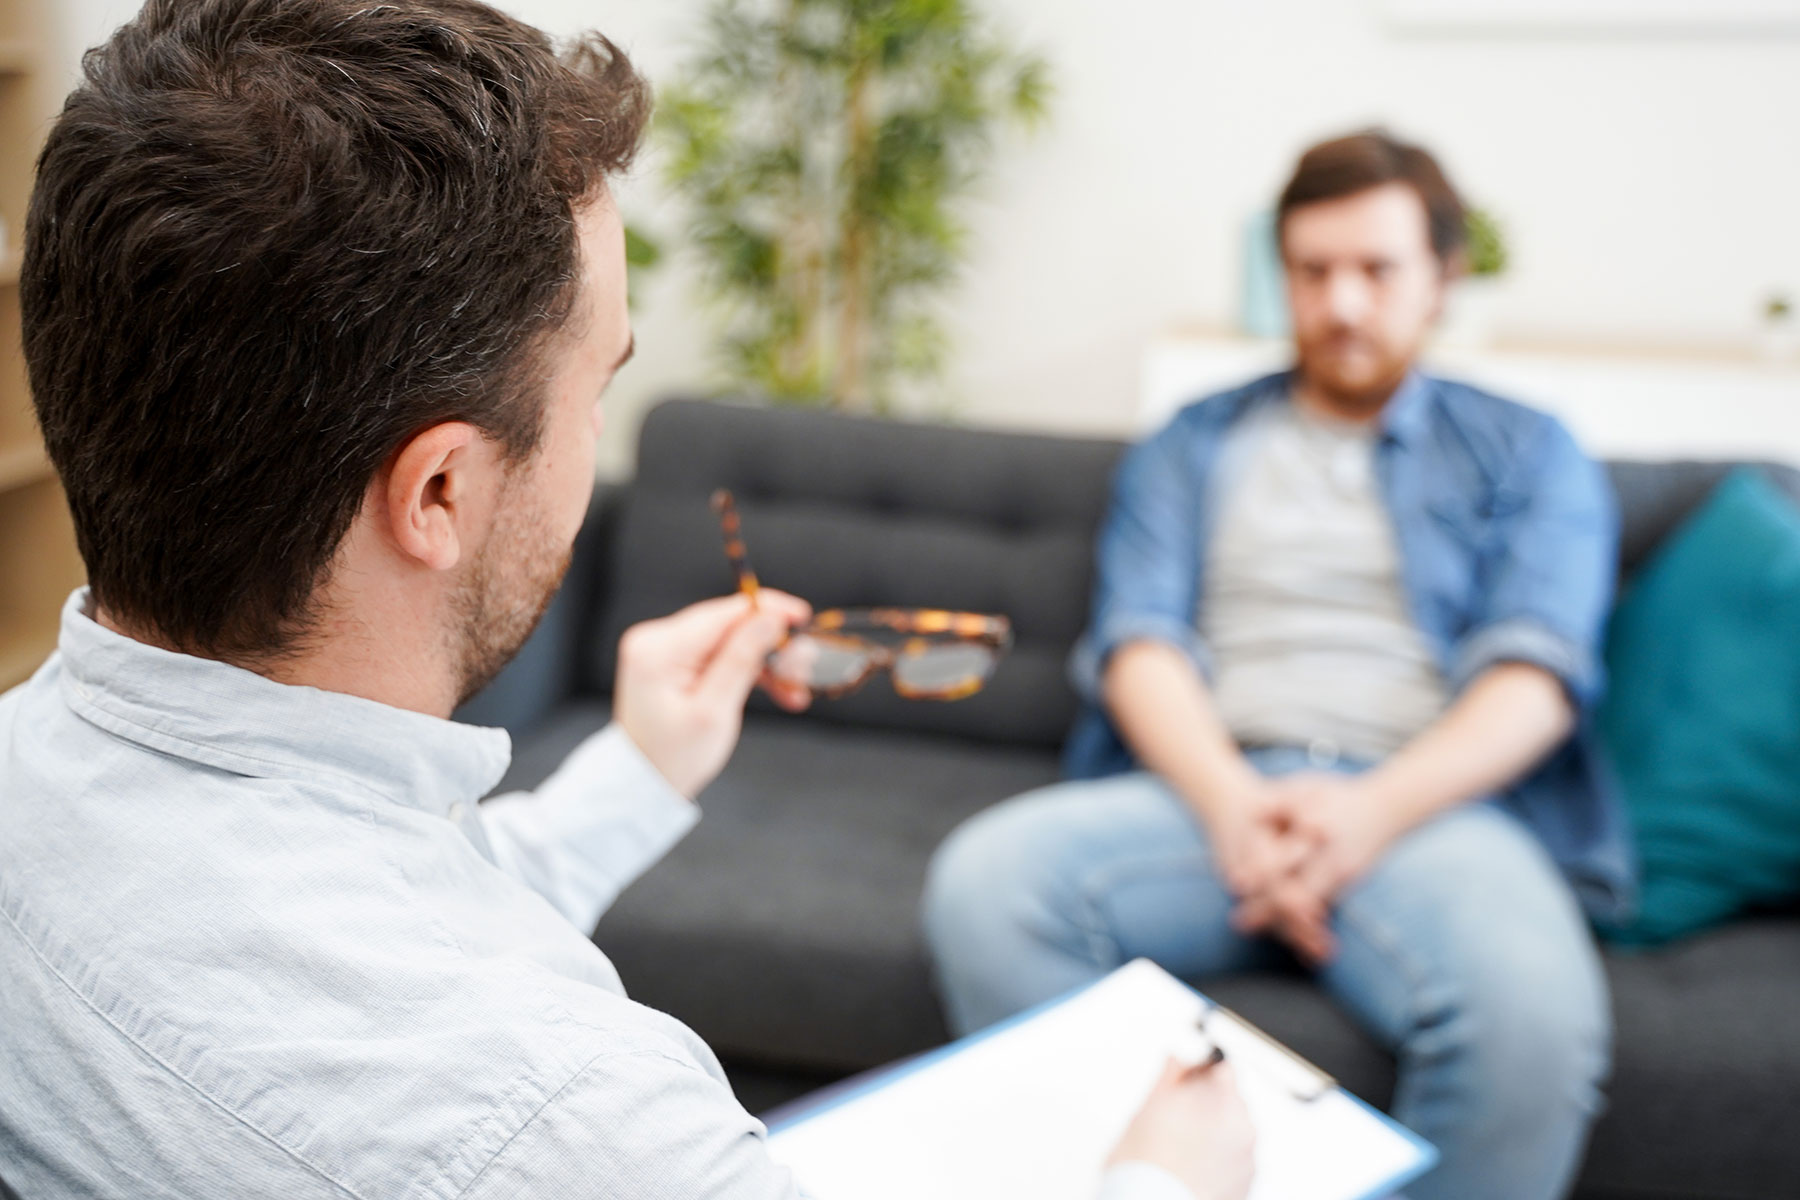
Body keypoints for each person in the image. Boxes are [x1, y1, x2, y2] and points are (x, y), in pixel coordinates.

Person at [0, 2, 1252, 1197]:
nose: (599, 440)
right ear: (437, 491)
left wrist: (637, 772)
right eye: (598, 388)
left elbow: (349, 940)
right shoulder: (582, 1120)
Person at [923, 130, 1630, 1200]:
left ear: (1444, 277)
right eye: (1313, 271)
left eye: (1377, 270)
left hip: (1429, 809)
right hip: (1213, 792)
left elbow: (1536, 679)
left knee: (1533, 1023)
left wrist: (1367, 815)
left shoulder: (1530, 450)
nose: (1342, 303)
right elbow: (1140, 646)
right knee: (988, 888)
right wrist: (1237, 813)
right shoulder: (1189, 445)